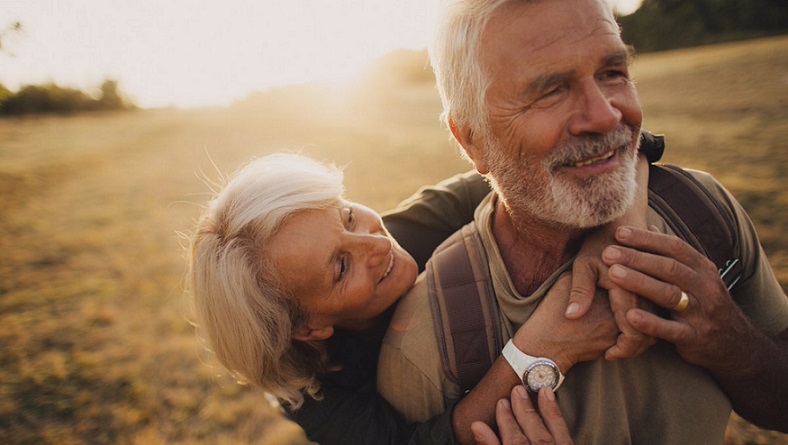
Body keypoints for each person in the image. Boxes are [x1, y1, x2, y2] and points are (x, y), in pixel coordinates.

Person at [376, 0, 788, 444]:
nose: (606, 115)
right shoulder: (426, 343)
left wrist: (734, 344)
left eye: (612, 72)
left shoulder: (702, 213)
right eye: (549, 90)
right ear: (472, 139)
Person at [186, 150, 655, 444]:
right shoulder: (309, 392)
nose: (376, 244)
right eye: (341, 267)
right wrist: (541, 350)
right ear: (309, 328)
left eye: (347, 216)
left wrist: (615, 238)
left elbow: (611, 148)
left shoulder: (417, 225)